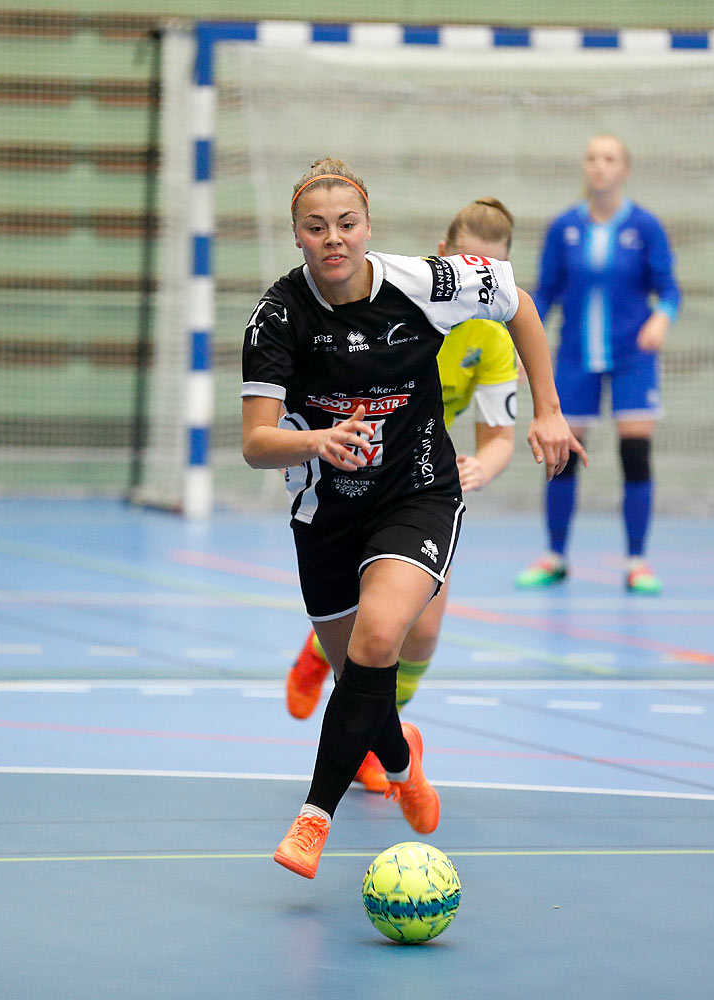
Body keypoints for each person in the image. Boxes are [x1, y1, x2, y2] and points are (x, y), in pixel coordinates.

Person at [241, 159, 584, 879]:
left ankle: (312, 820)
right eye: (316, 227)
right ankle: (402, 760)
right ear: (297, 235)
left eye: (347, 223)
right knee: (359, 681)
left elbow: (518, 301)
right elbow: (254, 443)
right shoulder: (277, 317)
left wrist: (548, 411)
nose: (333, 238)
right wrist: (318, 441)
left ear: (367, 228)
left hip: (416, 492)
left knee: (380, 634)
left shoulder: (425, 284)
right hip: (324, 512)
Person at [283, 198, 521, 795]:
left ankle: (370, 723)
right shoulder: (404, 298)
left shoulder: (490, 338)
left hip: (418, 482)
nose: (480, 280)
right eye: (472, 263)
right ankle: (341, 685)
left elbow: (498, 437)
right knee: (376, 625)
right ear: (445, 256)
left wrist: (480, 469)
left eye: (493, 269)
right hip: (349, 479)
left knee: (420, 630)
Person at [514, 133, 680, 594]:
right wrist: (529, 349)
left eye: (609, 159)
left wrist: (662, 319)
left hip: (632, 357)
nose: (600, 167)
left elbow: (669, 288)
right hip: (574, 357)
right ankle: (555, 556)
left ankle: (637, 562)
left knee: (636, 454)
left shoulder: (645, 227)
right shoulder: (564, 227)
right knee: (562, 454)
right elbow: (542, 294)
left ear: (624, 169)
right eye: (592, 158)